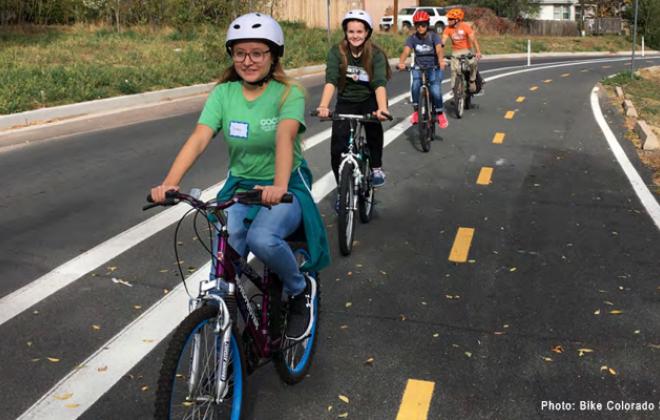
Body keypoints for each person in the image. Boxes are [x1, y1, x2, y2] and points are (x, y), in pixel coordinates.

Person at [150, 13, 329, 341]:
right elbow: (200, 138)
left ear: (273, 55)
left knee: (262, 240)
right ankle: (225, 337)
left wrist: (277, 185)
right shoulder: (224, 94)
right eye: (240, 53)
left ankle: (300, 288)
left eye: (257, 53)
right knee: (225, 254)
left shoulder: (289, 93)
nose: (248, 61)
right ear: (232, 55)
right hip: (241, 186)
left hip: (284, 183)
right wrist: (170, 183)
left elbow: (284, 137)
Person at [316, 9, 392, 196]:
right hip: (346, 101)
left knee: (373, 129)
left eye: (359, 31)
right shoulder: (337, 52)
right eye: (351, 31)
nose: (355, 36)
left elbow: (379, 83)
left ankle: (376, 167)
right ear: (345, 32)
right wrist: (324, 106)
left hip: (369, 99)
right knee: (337, 150)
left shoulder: (375, 54)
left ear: (367, 33)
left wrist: (382, 109)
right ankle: (343, 189)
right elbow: (331, 80)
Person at [398, 10, 448, 128]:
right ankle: (416, 111)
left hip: (433, 67)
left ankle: (440, 113)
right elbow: (406, 51)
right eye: (418, 25)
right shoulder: (412, 38)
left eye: (423, 24)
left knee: (435, 90)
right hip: (418, 67)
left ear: (427, 24)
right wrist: (401, 62)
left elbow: (439, 49)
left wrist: (440, 61)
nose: (420, 27)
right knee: (415, 84)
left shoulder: (434, 36)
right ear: (415, 26)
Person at [442, 8, 482, 93]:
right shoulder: (448, 29)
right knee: (454, 70)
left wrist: (478, 52)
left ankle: (472, 80)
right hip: (456, 52)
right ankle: (454, 90)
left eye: (450, 19)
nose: (448, 20)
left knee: (473, 63)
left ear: (457, 20)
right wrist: (439, 51)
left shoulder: (465, 27)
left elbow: (473, 40)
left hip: (467, 50)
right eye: (448, 19)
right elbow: (443, 41)